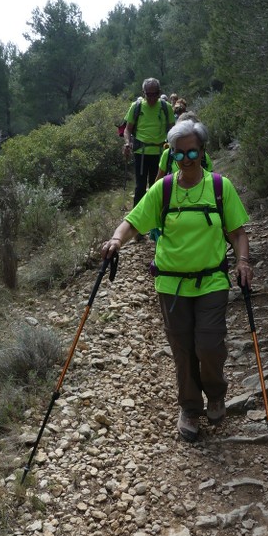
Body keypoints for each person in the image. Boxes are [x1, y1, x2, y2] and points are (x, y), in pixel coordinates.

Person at [103, 118, 253, 442]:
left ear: (202, 152)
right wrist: (116, 240)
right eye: (179, 154)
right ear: (172, 156)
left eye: (192, 153)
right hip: (171, 285)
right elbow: (132, 222)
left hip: (211, 281)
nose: (186, 160)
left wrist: (242, 261)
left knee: (209, 346)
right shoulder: (164, 189)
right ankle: (189, 407)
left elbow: (238, 232)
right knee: (182, 350)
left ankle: (215, 393)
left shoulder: (219, 187)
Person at [123, 78, 176, 209]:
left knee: (156, 185)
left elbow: (173, 129)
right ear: (143, 93)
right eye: (148, 94)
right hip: (141, 152)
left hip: (160, 153)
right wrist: (127, 143)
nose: (152, 97)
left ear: (159, 92)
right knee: (140, 186)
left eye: (155, 94)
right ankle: (136, 221)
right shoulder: (136, 106)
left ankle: (155, 218)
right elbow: (128, 129)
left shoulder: (166, 107)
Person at [155, 111, 213, 182]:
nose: (186, 160)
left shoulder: (204, 157)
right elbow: (158, 180)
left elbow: (211, 179)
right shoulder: (168, 155)